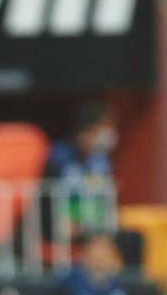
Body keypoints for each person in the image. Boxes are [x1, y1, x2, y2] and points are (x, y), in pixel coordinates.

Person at [41, 101, 118, 247]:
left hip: (93, 224)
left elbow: (102, 198)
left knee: (131, 239)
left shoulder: (100, 161)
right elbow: (49, 200)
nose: (108, 133)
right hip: (60, 224)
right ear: (85, 132)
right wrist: (73, 221)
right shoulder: (59, 157)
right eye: (103, 128)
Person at [42, 232, 136, 295]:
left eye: (108, 255)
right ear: (85, 256)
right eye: (99, 258)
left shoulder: (122, 284)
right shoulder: (69, 284)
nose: (103, 262)